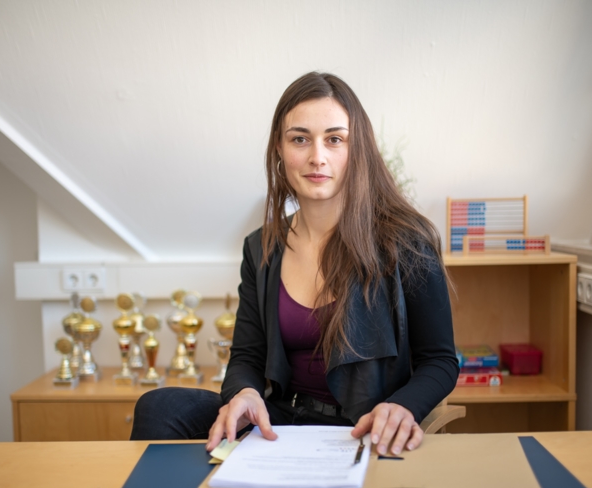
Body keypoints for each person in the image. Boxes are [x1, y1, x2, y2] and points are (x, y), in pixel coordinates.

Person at [131, 72, 458, 457]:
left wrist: (402, 407)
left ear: (358, 149)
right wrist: (245, 393)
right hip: (281, 422)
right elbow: (247, 356)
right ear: (279, 149)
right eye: (300, 139)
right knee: (159, 406)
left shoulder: (408, 241)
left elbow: (439, 360)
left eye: (335, 139)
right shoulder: (262, 247)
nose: (317, 157)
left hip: (363, 427)